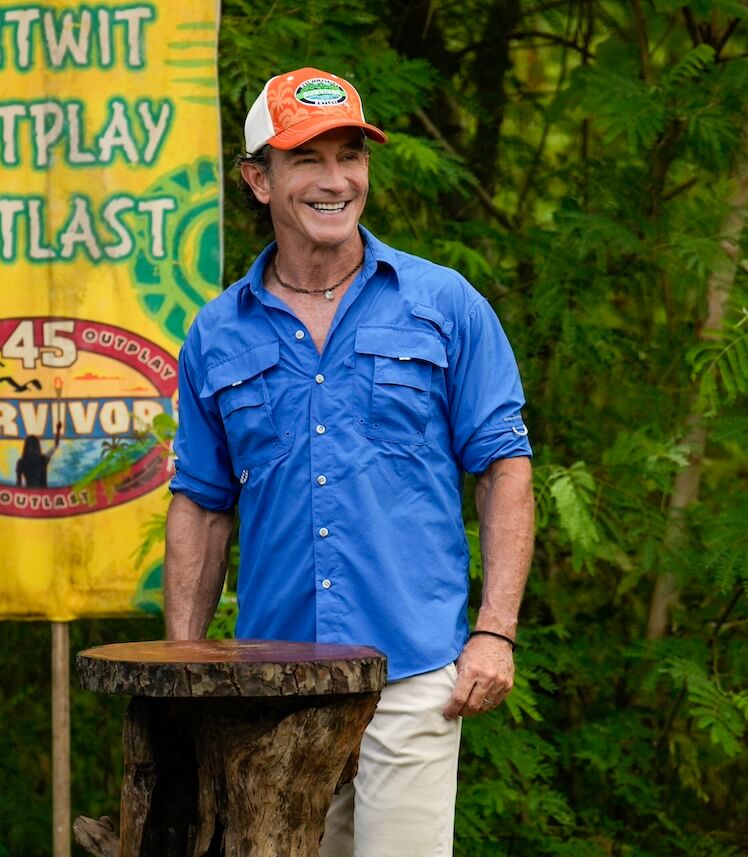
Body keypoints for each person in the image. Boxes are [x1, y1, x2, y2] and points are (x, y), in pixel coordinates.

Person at [164, 66, 534, 856]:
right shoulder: (216, 332)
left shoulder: (444, 305)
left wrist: (495, 631)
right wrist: (185, 672)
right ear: (258, 179)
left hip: (413, 672)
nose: (337, 181)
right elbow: (201, 501)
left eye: (351, 157)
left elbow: (504, 466)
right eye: (308, 160)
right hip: (274, 683)